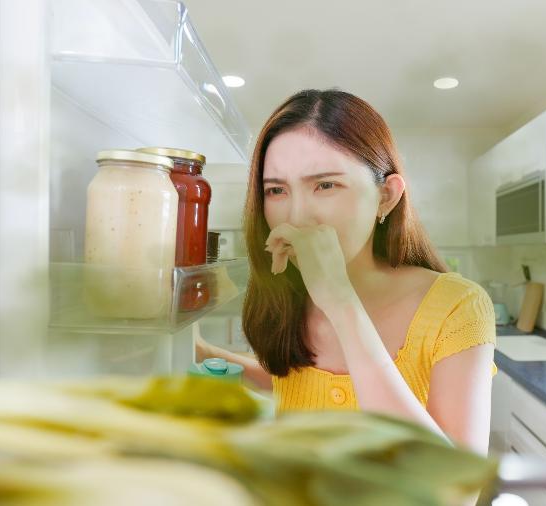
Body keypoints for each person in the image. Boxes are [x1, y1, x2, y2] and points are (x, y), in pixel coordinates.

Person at [196, 89, 497, 455]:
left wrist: (341, 302)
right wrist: (202, 352)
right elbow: (297, 385)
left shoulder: (458, 308)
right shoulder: (288, 295)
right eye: (276, 190)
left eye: (325, 185)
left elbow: (456, 490)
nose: (296, 217)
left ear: (386, 196)